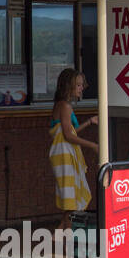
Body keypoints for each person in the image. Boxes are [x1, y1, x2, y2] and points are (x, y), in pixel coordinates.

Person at [49, 68, 97, 229]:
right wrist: (93, 146)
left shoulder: (62, 105)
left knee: (71, 201)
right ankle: (67, 242)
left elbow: (68, 132)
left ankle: (58, 235)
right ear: (68, 86)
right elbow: (69, 136)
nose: (81, 88)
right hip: (65, 157)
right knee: (72, 202)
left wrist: (90, 121)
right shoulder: (65, 107)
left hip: (65, 155)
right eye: (77, 85)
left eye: (81, 85)